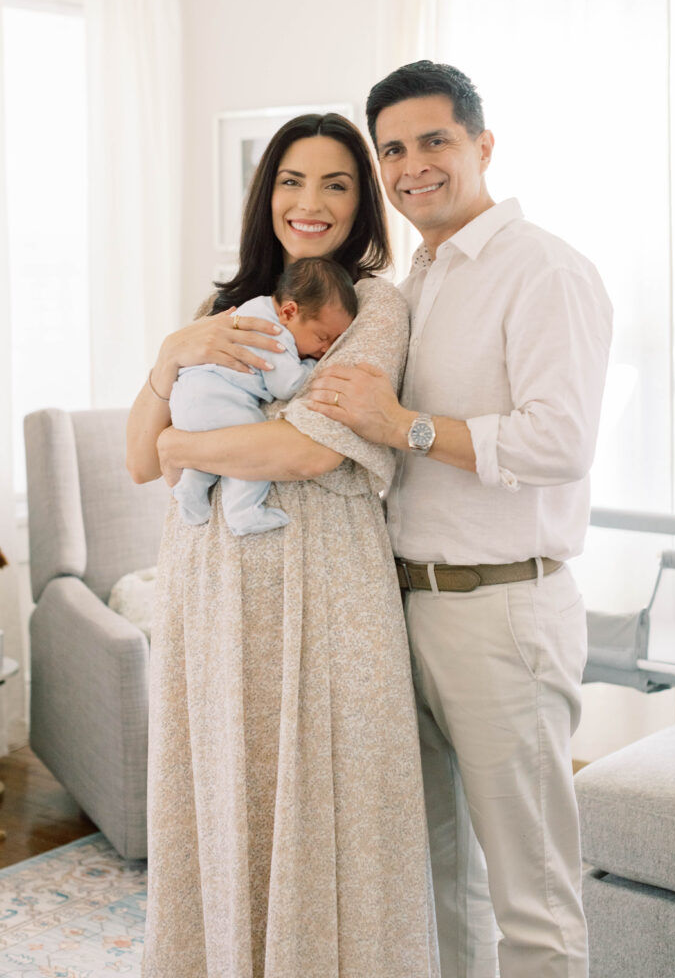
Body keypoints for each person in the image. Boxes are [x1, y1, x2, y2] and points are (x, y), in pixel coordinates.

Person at [307, 61, 613, 978]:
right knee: (437, 881)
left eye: (433, 141)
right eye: (391, 150)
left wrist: (402, 426)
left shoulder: (545, 270)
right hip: (405, 609)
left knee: (532, 895)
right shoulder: (417, 277)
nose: (410, 167)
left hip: (501, 615)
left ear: (481, 145)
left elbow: (559, 442)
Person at [127, 112, 440, 978]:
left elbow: (303, 450)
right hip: (210, 586)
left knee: (329, 804)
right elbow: (132, 456)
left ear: (362, 203)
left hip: (324, 586)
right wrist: (169, 356)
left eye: (337, 184)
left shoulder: (373, 307)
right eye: (293, 181)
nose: (312, 202)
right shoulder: (218, 313)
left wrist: (183, 446)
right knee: (223, 793)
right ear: (267, 194)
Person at [170, 257, 357, 533]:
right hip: (216, 398)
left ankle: (190, 488)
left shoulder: (255, 308)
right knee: (253, 447)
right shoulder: (272, 331)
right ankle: (243, 512)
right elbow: (286, 385)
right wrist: (311, 367)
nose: (325, 350)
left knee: (216, 449)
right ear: (290, 312)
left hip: (190, 398)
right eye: (322, 337)